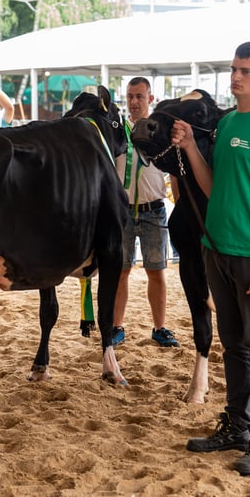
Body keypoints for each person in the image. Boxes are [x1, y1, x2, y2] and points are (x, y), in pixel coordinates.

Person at [173, 41, 250, 476]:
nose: (236, 76)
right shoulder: (225, 124)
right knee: (233, 344)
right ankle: (237, 425)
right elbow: (212, 187)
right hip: (217, 250)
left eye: (245, 70)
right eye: (233, 69)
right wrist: (190, 146)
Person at [110, 77, 178, 348]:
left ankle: (160, 328)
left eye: (139, 96)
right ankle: (116, 327)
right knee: (120, 271)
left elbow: (175, 169)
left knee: (156, 271)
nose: (134, 102)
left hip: (154, 211)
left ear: (151, 98)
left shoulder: (161, 131)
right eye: (130, 96)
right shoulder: (117, 132)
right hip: (122, 212)